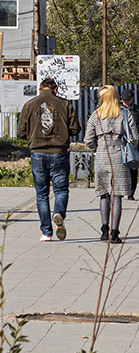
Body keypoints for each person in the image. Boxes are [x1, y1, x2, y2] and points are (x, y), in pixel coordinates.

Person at [19, 77, 80, 242]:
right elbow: (75, 129)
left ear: (40, 90)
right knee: (61, 190)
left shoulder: (29, 104)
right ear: (56, 90)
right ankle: (58, 212)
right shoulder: (65, 104)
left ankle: (46, 232)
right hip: (59, 152)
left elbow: (21, 132)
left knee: (41, 194)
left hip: (37, 152)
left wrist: (33, 136)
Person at [84, 86, 133, 243]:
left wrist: (96, 149)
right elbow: (135, 136)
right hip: (119, 155)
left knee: (103, 193)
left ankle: (104, 229)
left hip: (102, 156)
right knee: (117, 195)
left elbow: (88, 139)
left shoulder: (96, 115)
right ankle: (115, 232)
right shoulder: (124, 114)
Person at [119, 89, 139, 200]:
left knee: (133, 165)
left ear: (132, 99)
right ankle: (120, 191)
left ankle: (131, 192)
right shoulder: (118, 109)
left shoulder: (138, 110)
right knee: (121, 166)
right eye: (124, 100)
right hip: (121, 141)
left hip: (134, 142)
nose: (126, 102)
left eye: (128, 100)